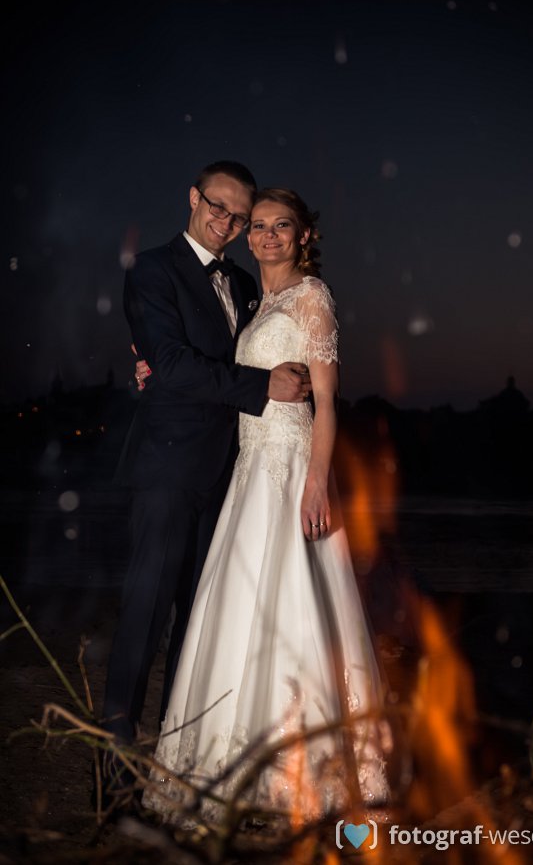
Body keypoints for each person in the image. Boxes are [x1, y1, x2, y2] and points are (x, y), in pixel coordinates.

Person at [141, 188, 389, 823]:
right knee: (242, 605)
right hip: (249, 470)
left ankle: (302, 772)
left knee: (293, 602)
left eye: (282, 226)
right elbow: (213, 369)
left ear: (304, 235)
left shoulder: (312, 297)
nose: (267, 235)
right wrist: (153, 369)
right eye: (257, 226)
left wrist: (317, 482)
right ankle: (235, 762)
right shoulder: (257, 302)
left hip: (291, 467)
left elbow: (327, 402)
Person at [101, 164, 311, 794]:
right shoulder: (152, 270)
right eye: (217, 207)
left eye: (239, 217)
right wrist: (260, 386)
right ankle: (112, 771)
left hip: (230, 476)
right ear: (193, 198)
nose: (227, 223)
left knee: (199, 624)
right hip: (167, 469)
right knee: (145, 614)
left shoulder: (244, 283)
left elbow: (241, 351)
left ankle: (178, 763)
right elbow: (170, 362)